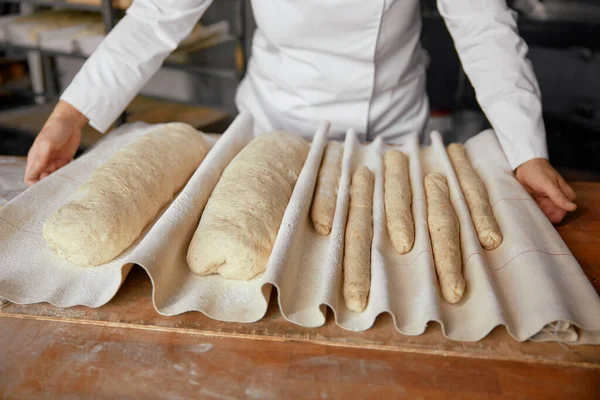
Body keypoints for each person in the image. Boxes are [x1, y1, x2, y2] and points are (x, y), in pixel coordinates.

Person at [24, 0, 576, 223]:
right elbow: (156, 16)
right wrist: (70, 115)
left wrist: (526, 150)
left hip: (386, 134)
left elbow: (481, 25)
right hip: (272, 126)